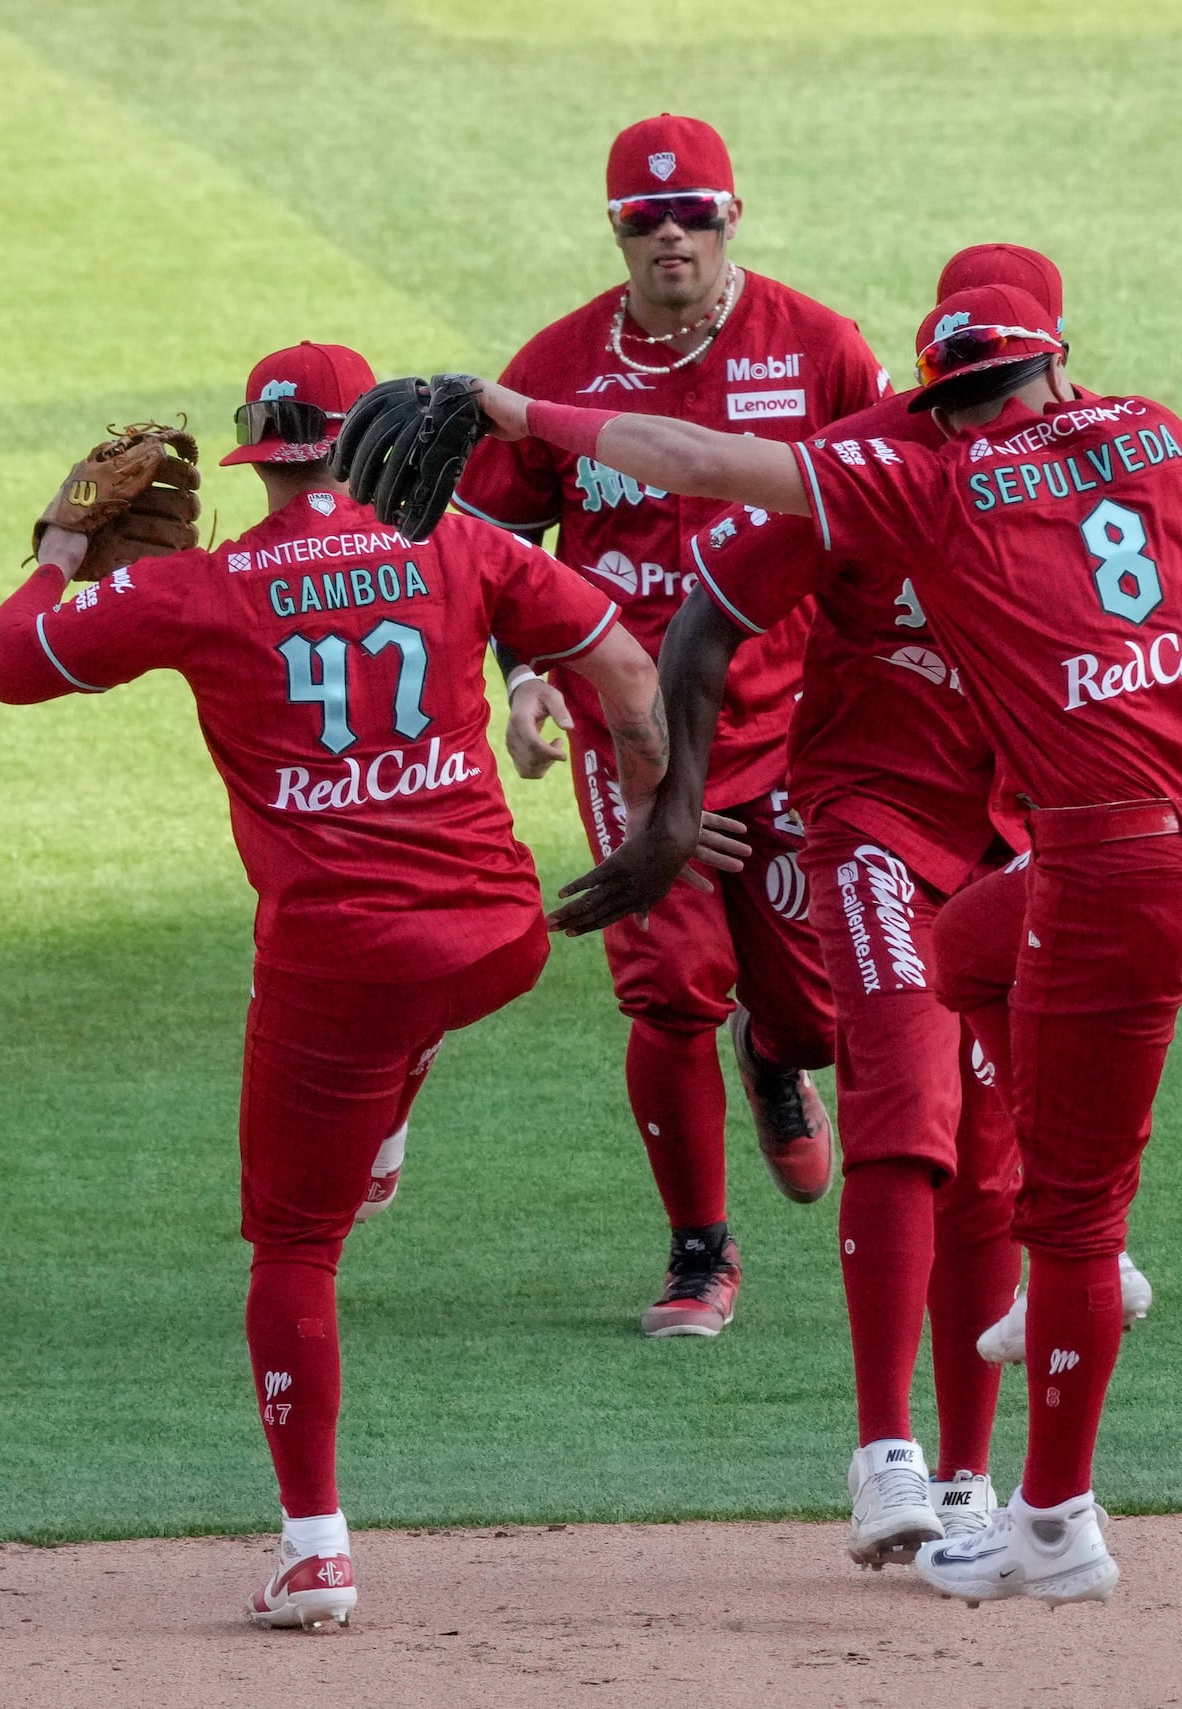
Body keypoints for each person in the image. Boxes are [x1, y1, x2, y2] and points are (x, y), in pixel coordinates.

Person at [344, 279, 1182, 1604]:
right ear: (1060, 363)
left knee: (1064, 1214)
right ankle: (1052, 1280)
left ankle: (1053, 1519)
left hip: (1113, 867)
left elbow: (701, 460)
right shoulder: (1157, 435)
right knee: (958, 964)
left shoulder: (927, 480)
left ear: (937, 395)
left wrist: (509, 407)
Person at [0, 342, 703, 1631]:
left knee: (294, 1248)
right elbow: (631, 677)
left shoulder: (200, 585)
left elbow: (9, 658)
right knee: (419, 999)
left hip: (341, 965)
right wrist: (654, 830)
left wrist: (60, 544)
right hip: (501, 940)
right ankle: (390, 1109)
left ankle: (314, 1549)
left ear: (257, 454)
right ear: (372, 436)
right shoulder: (467, 546)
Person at [644, 245, 1158, 1572]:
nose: (982, 413)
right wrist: (673, 805)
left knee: (992, 1157)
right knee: (905, 1103)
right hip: (875, 819)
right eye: (957, 386)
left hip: (1020, 840)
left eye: (1010, 380)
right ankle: (885, 1451)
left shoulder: (1113, 464)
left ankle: (976, 1482)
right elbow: (706, 616)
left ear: (1063, 358)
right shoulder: (875, 462)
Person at [451, 114, 892, 1338]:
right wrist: (528, 669)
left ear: (731, 216)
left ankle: (776, 1056)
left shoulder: (819, 348)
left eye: (691, 212)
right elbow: (485, 542)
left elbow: (892, 506)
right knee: (669, 987)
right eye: (642, 219)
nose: (669, 238)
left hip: (795, 719)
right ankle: (701, 1252)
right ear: (615, 230)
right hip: (631, 726)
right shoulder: (555, 367)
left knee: (813, 1008)